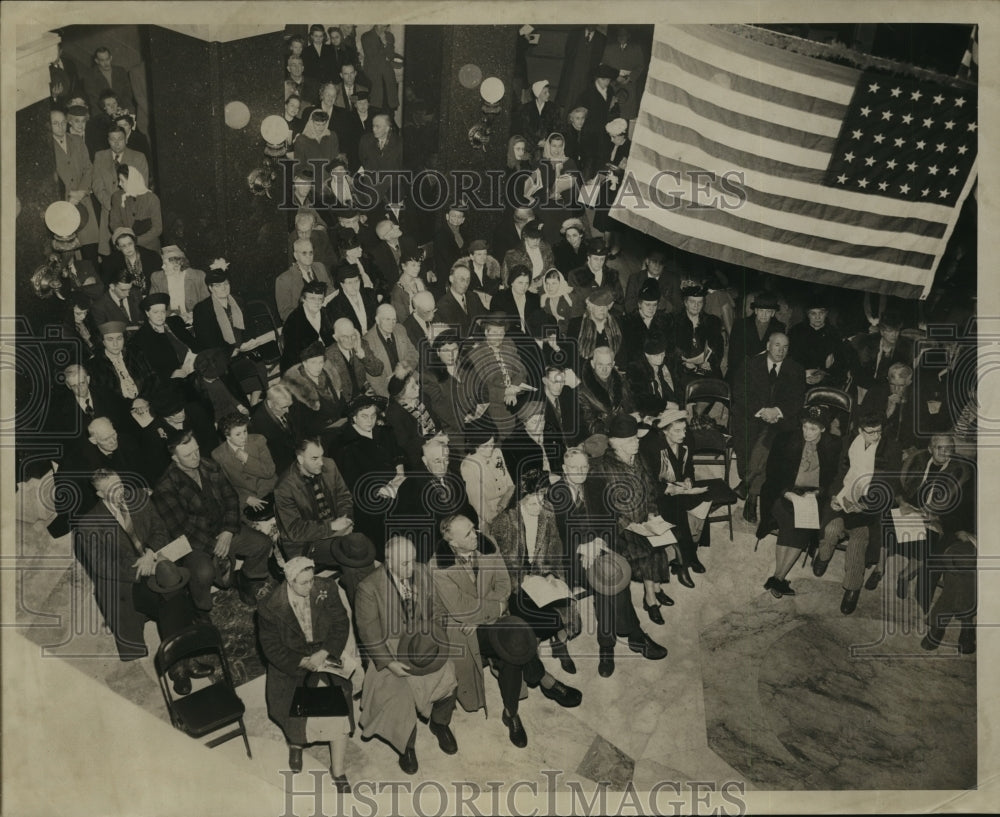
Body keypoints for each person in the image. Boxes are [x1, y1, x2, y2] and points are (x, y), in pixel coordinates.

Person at [547, 446, 668, 676]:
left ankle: (608, 646)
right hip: (573, 560)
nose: (580, 472)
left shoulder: (596, 485)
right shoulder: (555, 494)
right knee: (609, 580)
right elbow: (557, 537)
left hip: (600, 549)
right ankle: (633, 636)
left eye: (584, 467)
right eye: (574, 468)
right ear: (564, 469)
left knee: (611, 577)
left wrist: (600, 543)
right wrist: (583, 548)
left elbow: (611, 520)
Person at [432, 515, 543, 748]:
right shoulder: (438, 565)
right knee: (513, 639)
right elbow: (460, 609)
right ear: (453, 543)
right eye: (468, 534)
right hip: (463, 630)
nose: (476, 536)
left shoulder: (487, 543)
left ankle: (510, 712)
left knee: (511, 645)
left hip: (486, 619)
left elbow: (504, 585)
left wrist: (483, 614)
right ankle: (539, 674)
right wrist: (494, 609)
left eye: (474, 529)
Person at [355, 536, 460, 774]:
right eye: (404, 564)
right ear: (388, 561)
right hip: (390, 653)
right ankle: (407, 744)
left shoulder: (422, 572)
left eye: (413, 561)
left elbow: (438, 610)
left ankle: (440, 723)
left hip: (423, 645)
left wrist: (433, 638)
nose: (411, 568)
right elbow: (369, 634)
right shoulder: (369, 588)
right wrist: (389, 664)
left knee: (449, 675)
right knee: (400, 695)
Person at [258, 556, 358, 794]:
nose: (310, 586)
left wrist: (324, 653)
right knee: (295, 712)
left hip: (323, 656)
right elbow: (271, 648)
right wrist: (302, 661)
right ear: (289, 582)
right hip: (292, 665)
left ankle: (338, 769)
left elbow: (341, 624)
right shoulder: (270, 606)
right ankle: (296, 743)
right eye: (303, 583)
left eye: (312, 579)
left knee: (338, 710)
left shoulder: (326, 588)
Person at [154, 430, 272, 615]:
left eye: (196, 450)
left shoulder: (209, 465)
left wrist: (228, 531)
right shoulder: (165, 488)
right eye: (187, 455)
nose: (195, 457)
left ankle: (246, 580)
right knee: (203, 574)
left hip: (224, 529)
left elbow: (231, 498)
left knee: (263, 544)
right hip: (196, 543)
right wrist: (215, 546)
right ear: (175, 458)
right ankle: (201, 608)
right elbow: (180, 531)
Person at [596, 415, 690, 626]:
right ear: (617, 444)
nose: (637, 443)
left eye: (636, 439)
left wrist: (652, 513)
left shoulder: (637, 458)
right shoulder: (604, 468)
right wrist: (628, 524)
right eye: (632, 440)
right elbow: (603, 508)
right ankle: (650, 598)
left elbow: (650, 488)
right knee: (649, 549)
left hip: (643, 520)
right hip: (620, 528)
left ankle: (655, 588)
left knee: (665, 538)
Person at [811, 412, 901, 614]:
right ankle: (823, 556)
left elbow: (891, 484)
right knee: (832, 529)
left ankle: (852, 589)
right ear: (860, 431)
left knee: (858, 543)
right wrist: (834, 496)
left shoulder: (892, 448)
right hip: (844, 496)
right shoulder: (848, 443)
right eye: (870, 433)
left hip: (870, 505)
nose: (876, 436)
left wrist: (867, 504)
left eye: (878, 431)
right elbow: (837, 473)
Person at [273, 437, 377, 603]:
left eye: (321, 456)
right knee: (352, 554)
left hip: (337, 529)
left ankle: (371, 597)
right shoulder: (285, 487)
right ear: (300, 459)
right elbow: (294, 530)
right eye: (314, 458)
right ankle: (364, 604)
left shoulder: (330, 465)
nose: (321, 462)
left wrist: (347, 520)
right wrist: (332, 527)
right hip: (307, 543)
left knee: (359, 545)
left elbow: (344, 497)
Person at [757, 406, 841, 599]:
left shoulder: (833, 444)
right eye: (805, 427)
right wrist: (788, 494)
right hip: (784, 492)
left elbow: (834, 476)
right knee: (789, 522)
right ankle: (779, 580)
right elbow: (772, 474)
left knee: (802, 528)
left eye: (813, 429)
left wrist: (818, 493)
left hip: (812, 496)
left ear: (823, 429)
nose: (807, 433)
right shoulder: (785, 439)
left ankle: (777, 578)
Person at [731, 331, 807, 524]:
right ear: (768, 346)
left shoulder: (796, 369)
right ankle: (752, 489)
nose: (781, 350)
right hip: (753, 417)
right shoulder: (750, 365)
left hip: (781, 420)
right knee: (759, 439)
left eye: (785, 347)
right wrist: (762, 411)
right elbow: (740, 394)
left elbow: (798, 400)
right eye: (777, 345)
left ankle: (749, 489)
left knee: (773, 438)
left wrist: (777, 411)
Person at [389, 435, 478, 563]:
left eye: (446, 459)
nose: (443, 466)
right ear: (425, 460)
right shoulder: (410, 487)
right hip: (433, 550)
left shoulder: (455, 476)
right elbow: (406, 528)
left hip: (462, 543)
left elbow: (466, 507)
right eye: (437, 461)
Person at [192, 264, 270, 403]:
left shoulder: (238, 301)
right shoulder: (202, 309)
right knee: (236, 372)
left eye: (226, 284)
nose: (223, 288)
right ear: (210, 288)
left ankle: (254, 401)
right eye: (218, 285)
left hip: (243, 347)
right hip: (221, 353)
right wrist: (230, 350)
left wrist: (249, 341)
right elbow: (206, 340)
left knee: (258, 364)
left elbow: (250, 326)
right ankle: (243, 402)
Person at [50, 107, 99, 260]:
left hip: (83, 202)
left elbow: (88, 168)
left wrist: (82, 191)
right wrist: (68, 198)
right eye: (55, 123)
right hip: (62, 207)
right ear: (49, 126)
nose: (60, 126)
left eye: (63, 122)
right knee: (70, 257)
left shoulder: (77, 141)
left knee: (90, 253)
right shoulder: (46, 147)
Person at [211, 411, 278, 522]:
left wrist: (247, 459)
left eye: (245, 431)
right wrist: (245, 498)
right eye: (238, 434)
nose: (244, 437)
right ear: (227, 436)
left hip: (270, 491)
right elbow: (224, 485)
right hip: (246, 500)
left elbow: (269, 471)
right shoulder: (219, 455)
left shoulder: (258, 440)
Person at [460, 419, 516, 536]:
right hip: (489, 516)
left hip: (509, 503)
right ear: (474, 445)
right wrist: (498, 518)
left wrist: (504, 503)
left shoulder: (497, 453)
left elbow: (511, 486)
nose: (490, 449)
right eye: (485, 446)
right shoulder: (469, 467)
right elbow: (479, 504)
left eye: (492, 444)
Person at [787, 297, 849, 389]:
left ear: (826, 314)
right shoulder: (796, 332)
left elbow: (842, 363)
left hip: (825, 381)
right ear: (807, 314)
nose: (818, 317)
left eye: (821, 313)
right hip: (798, 378)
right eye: (813, 313)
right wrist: (802, 374)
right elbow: (789, 358)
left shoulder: (835, 334)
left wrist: (823, 375)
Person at [89, 320, 158, 403]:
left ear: (124, 339)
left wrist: (143, 399)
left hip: (146, 401)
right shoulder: (95, 365)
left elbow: (152, 379)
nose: (115, 344)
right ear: (103, 341)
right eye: (110, 340)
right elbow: (102, 397)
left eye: (119, 338)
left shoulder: (135, 354)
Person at [591, 118, 631, 256]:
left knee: (615, 218)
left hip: (620, 188)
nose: (611, 139)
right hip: (609, 184)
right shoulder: (614, 145)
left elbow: (628, 170)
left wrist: (619, 170)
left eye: (613, 137)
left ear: (622, 135)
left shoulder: (629, 148)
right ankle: (606, 243)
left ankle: (615, 247)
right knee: (605, 215)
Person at [576, 345, 635, 437]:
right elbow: (591, 425)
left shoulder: (622, 382)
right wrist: (618, 429)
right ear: (592, 364)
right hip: (604, 438)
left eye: (608, 365)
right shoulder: (582, 391)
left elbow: (631, 406)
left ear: (613, 364)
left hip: (628, 432)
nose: (604, 370)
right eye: (600, 365)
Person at [248, 384, 307, 474]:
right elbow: (269, 455)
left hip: (298, 451)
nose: (287, 411)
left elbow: (297, 428)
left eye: (288, 406)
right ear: (271, 404)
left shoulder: (286, 402)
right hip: (281, 464)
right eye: (283, 407)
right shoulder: (257, 423)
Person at [280, 280, 336, 374]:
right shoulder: (294, 320)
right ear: (303, 299)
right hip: (301, 364)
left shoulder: (325, 313)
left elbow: (332, 338)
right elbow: (294, 354)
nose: (317, 302)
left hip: (325, 357)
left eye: (320, 299)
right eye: (312, 298)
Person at [363, 304, 419, 397]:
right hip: (387, 390)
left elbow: (414, 353)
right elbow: (374, 381)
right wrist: (391, 400)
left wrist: (404, 368)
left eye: (394, 319)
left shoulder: (400, 329)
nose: (392, 324)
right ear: (377, 320)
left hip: (410, 379)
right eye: (387, 319)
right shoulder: (367, 342)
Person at [276, 238, 334, 323]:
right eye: (304, 253)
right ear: (296, 256)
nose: (309, 256)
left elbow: (331, 290)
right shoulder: (284, 280)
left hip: (325, 318)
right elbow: (285, 313)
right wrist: (308, 314)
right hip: (301, 323)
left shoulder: (320, 267)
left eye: (311, 252)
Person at [727, 293, 785, 377]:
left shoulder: (779, 328)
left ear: (773, 313)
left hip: (765, 371)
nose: (764, 315)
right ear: (756, 311)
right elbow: (734, 354)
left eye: (768, 311)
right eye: (761, 310)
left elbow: (779, 354)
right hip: (742, 370)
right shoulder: (740, 325)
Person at [149, 245, 209, 325]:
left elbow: (206, 305)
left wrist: (192, 315)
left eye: (165, 264)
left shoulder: (198, 276)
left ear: (177, 265)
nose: (162, 267)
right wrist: (172, 316)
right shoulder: (157, 278)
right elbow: (154, 306)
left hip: (197, 320)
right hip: (170, 322)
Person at [108, 164, 161, 254]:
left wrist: (137, 241)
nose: (119, 184)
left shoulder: (152, 198)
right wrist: (126, 241)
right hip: (126, 248)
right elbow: (114, 223)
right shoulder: (117, 197)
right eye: (119, 180)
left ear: (132, 181)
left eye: (122, 181)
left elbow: (157, 228)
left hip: (150, 247)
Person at [621, 279, 674, 367]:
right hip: (637, 367)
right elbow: (628, 352)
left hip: (661, 365)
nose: (651, 309)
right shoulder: (628, 322)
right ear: (639, 304)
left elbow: (670, 349)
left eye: (654, 305)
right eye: (648, 305)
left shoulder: (665, 321)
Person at [567, 238, 625, 315]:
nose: (599, 262)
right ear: (588, 258)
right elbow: (574, 304)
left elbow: (620, 301)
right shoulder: (575, 275)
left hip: (608, 317)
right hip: (585, 317)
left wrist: (611, 306)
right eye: (595, 259)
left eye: (602, 259)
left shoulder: (612, 274)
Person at [558, 27, 607, 115]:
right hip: (572, 78)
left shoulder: (601, 39)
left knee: (583, 106)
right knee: (567, 105)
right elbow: (567, 53)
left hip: (587, 80)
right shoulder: (575, 33)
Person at [567, 287, 624, 364]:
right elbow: (571, 356)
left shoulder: (618, 323)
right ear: (590, 307)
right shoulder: (576, 324)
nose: (602, 310)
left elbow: (622, 354)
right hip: (584, 369)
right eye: (598, 306)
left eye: (605, 306)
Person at [435, 263, 488, 337]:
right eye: (462, 279)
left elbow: (486, 319)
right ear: (451, 279)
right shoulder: (442, 305)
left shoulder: (473, 297)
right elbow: (457, 333)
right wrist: (477, 324)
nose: (465, 283)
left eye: (468, 280)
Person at [360, 26, 400, 113]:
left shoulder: (389, 36)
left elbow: (391, 55)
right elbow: (373, 59)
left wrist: (385, 43)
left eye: (385, 25)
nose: (383, 27)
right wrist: (385, 56)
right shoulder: (366, 36)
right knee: (374, 108)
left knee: (389, 110)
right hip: (373, 78)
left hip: (387, 78)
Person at [513, 80, 559, 155]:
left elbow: (557, 127)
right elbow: (525, 129)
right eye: (545, 92)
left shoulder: (553, 108)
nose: (548, 94)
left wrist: (548, 142)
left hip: (548, 147)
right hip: (530, 147)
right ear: (538, 94)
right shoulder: (526, 109)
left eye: (548, 92)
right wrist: (537, 141)